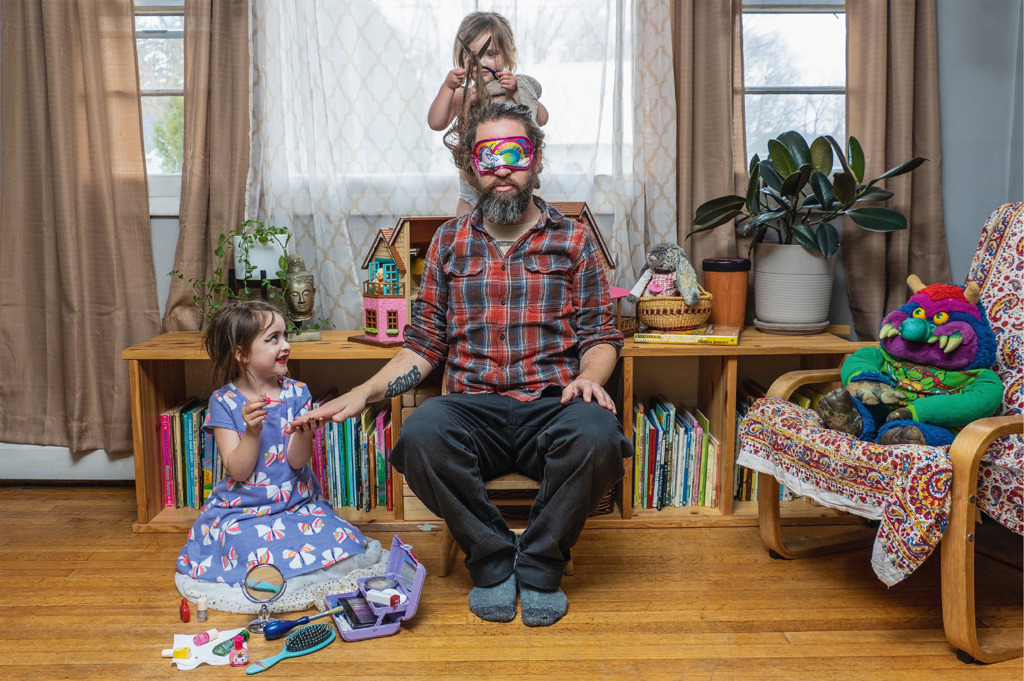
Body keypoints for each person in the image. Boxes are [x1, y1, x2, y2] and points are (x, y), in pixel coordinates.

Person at [289, 102, 631, 627]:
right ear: (471, 165)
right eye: (488, 155)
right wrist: (364, 392)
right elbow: (424, 344)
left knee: (601, 435)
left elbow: (601, 335)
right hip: (474, 409)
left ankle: (540, 565)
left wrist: (588, 378)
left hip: (553, 404)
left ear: (536, 159)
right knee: (420, 435)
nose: (502, 168)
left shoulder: (574, 240)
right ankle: (493, 562)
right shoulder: (449, 242)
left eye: (515, 153)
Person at [176, 300, 379, 611]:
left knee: (340, 535)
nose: (285, 345)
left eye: (285, 336)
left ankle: (293, 564)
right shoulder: (224, 401)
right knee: (248, 547)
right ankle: (277, 569)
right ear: (242, 354)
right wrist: (252, 431)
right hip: (244, 511)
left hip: (296, 503)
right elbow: (238, 471)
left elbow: (297, 462)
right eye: (273, 339)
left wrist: (305, 431)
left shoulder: (298, 392)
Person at [427, 11, 549, 217]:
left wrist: (516, 91)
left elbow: (542, 118)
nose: (481, 62)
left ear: (509, 54)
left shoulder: (513, 89)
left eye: (490, 54)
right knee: (464, 226)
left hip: (508, 177)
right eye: (471, 55)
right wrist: (447, 88)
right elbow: (435, 122)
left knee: (513, 220)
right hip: (471, 183)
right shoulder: (463, 95)